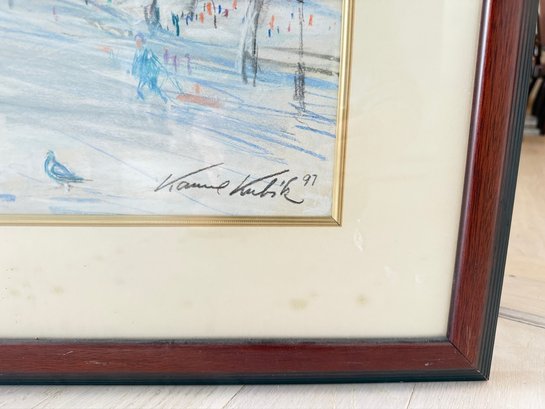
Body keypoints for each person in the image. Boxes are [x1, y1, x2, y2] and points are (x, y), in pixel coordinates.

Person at [131, 33, 168, 102]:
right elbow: (135, 61)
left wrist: (149, 57)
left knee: (152, 87)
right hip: (142, 72)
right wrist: (133, 70)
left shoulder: (146, 51)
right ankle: (140, 97)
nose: (137, 43)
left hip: (149, 73)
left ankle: (162, 97)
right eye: (136, 41)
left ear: (142, 42)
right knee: (149, 87)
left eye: (139, 41)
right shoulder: (137, 51)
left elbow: (152, 61)